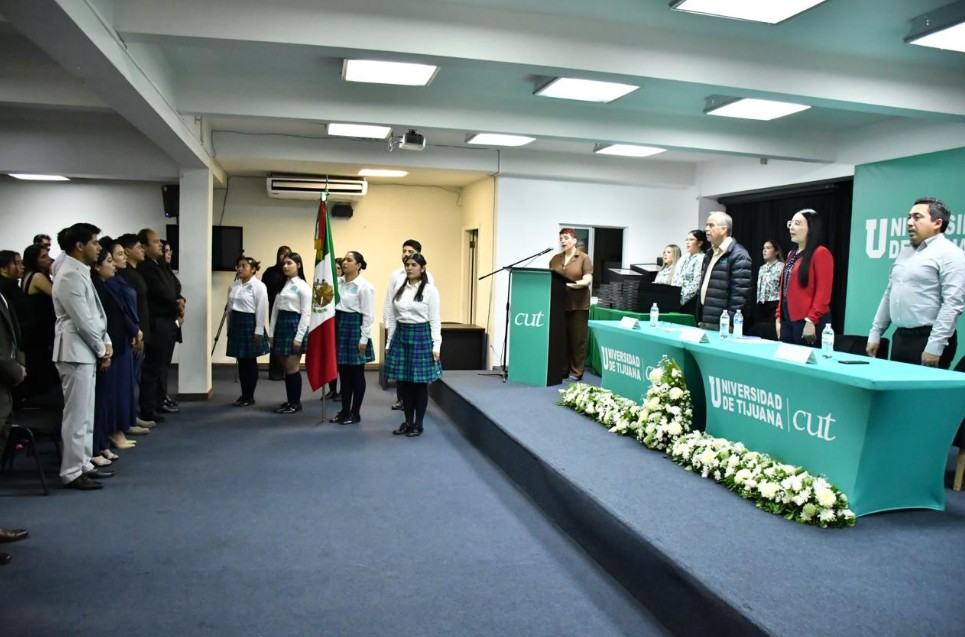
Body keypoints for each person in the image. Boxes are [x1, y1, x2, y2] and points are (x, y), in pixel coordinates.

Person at [868, 197, 965, 368]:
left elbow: (952, 304)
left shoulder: (951, 254)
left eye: (917, 217)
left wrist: (935, 346)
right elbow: (889, 294)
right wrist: (875, 333)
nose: (909, 223)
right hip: (901, 337)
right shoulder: (904, 253)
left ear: (937, 223)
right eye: (909, 217)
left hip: (929, 339)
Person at [52, 222, 113, 490]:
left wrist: (106, 341)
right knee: (76, 416)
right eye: (94, 243)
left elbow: (95, 315)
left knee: (86, 413)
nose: (99, 248)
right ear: (79, 246)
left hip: (85, 350)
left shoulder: (80, 270)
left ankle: (84, 462)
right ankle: (71, 471)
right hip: (74, 351)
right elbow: (82, 320)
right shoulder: (68, 275)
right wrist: (102, 349)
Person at [91, 238, 146, 467]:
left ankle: (103, 441)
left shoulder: (113, 281)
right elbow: (100, 319)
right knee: (108, 396)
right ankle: (103, 440)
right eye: (111, 259)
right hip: (109, 345)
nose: (115, 263)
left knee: (119, 390)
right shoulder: (101, 285)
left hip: (119, 341)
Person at [384, 253, 441, 437]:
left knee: (419, 385)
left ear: (422, 268)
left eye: (414, 265)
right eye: (407, 264)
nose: (409, 268)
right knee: (405, 383)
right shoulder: (399, 288)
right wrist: (389, 341)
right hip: (401, 336)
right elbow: (393, 318)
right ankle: (408, 422)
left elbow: (435, 320)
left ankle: (419, 424)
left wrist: (436, 345)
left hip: (421, 337)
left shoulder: (430, 291)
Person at [384, 240, 434, 410]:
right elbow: (389, 302)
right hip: (401, 327)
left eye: (410, 252)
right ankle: (402, 400)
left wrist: (435, 342)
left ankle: (416, 409)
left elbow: (431, 310)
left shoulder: (428, 280)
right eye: (404, 251)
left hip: (419, 330)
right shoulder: (396, 276)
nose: (406, 254)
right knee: (402, 371)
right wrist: (388, 327)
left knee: (416, 375)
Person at [136, 228, 181, 423]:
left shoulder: (160, 265)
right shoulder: (146, 267)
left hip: (167, 321)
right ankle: (148, 408)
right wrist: (176, 302)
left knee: (162, 366)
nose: (160, 245)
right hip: (157, 322)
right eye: (155, 242)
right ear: (144, 247)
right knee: (153, 368)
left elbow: (175, 287)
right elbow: (164, 293)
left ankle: (157, 401)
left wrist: (180, 299)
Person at [329, 251, 375, 425]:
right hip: (340, 326)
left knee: (356, 374)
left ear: (358, 265)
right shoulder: (337, 283)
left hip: (355, 327)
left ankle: (355, 413)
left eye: (349, 260)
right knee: (343, 373)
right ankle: (344, 411)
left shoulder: (365, 286)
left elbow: (368, 315)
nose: (344, 262)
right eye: (344, 260)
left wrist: (364, 338)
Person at [776, 210, 834, 346]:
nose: (791, 227)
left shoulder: (820, 253)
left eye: (797, 223)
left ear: (811, 228)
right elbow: (784, 287)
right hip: (788, 317)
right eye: (791, 223)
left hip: (808, 320)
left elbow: (823, 292)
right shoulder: (792, 254)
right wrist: (779, 316)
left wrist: (811, 320)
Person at [269, 252, 311, 414]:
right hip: (281, 325)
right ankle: (290, 401)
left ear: (298, 265)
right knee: (286, 367)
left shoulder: (303, 286)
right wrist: (271, 333)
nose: (285, 266)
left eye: (289, 263)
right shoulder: (283, 284)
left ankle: (295, 403)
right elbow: (275, 311)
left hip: (294, 325)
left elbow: (306, 314)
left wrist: (299, 337)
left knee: (292, 367)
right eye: (284, 264)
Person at [549, 228, 593, 380]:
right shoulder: (555, 259)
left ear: (574, 240)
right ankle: (562, 370)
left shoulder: (583, 258)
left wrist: (568, 285)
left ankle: (576, 372)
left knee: (577, 340)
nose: (563, 241)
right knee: (560, 340)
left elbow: (587, 280)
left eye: (566, 238)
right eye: (561, 238)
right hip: (559, 304)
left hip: (578, 305)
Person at [226, 256, 270, 407]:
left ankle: (249, 396)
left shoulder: (259, 286)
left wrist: (259, 330)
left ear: (253, 269)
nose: (240, 269)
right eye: (238, 266)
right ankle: (244, 393)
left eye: (244, 266)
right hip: (237, 323)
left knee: (250, 360)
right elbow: (230, 309)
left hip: (250, 323)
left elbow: (261, 308)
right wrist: (229, 328)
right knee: (241, 360)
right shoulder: (234, 286)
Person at [698, 212, 752, 329]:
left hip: (723, 324)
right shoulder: (709, 253)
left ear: (723, 229)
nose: (706, 229)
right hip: (706, 318)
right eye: (706, 225)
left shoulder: (739, 255)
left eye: (711, 225)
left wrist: (729, 323)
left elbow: (739, 295)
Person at [263, 245, 292, 382]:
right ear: (278, 255)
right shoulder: (270, 272)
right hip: (274, 309)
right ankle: (275, 372)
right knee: (275, 340)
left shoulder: (292, 273)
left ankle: (289, 370)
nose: (285, 256)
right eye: (282, 253)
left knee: (288, 341)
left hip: (290, 311)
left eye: (288, 254)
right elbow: (263, 291)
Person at [672, 230, 709, 313]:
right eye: (687, 240)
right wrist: (673, 296)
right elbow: (675, 277)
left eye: (691, 240)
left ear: (700, 243)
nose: (687, 242)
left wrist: (682, 300)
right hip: (675, 298)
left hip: (690, 301)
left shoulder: (702, 258)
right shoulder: (683, 258)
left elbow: (696, 283)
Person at [323, 257, 344, 401]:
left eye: (338, 268)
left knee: (341, 360)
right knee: (330, 358)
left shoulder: (344, 286)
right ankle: (332, 389)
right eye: (334, 268)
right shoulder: (328, 286)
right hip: (330, 324)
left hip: (341, 324)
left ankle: (343, 391)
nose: (336, 271)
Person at [754, 240, 784, 328]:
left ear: (776, 252)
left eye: (768, 248)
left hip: (774, 304)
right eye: (763, 248)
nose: (764, 250)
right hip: (761, 304)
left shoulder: (781, 267)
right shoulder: (762, 268)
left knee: (771, 329)